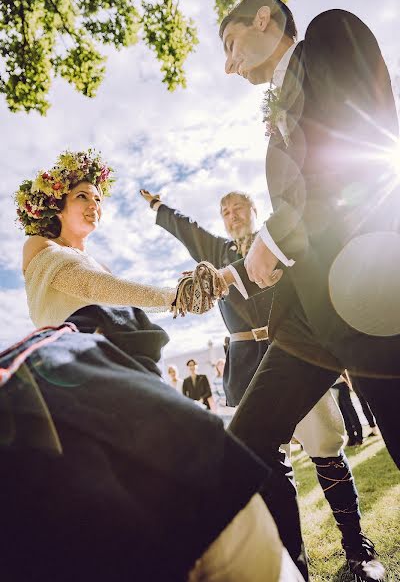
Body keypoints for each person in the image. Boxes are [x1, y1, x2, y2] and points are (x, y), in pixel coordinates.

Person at [1, 149, 305, 581]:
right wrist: (174, 296)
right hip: (76, 382)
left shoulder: (92, 256)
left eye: (98, 200)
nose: (94, 206)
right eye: (83, 197)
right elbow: (99, 287)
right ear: (57, 204)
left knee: (187, 493)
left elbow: (113, 297)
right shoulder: (39, 248)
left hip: (118, 375)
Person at [210, 0, 400, 581]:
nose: (229, 65)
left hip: (369, 291)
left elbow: (354, 156)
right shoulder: (278, 111)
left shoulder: (329, 34)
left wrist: (276, 234)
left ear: (265, 19)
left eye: (231, 45)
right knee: (239, 448)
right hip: (310, 312)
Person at [141, 187, 381, 575]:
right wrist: (158, 206)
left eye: (238, 207)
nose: (232, 214)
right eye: (225, 210)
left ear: (254, 209)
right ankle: (295, 564)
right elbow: (184, 227)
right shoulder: (217, 251)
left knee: (324, 448)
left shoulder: (281, 241)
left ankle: (357, 548)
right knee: (263, 460)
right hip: (247, 368)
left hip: (297, 356)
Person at [210, 358, 235, 427]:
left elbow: (233, 390)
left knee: (233, 423)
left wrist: (230, 401)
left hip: (231, 405)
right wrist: (220, 402)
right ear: (217, 367)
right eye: (219, 365)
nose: (221, 366)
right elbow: (214, 392)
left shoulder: (231, 377)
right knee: (225, 425)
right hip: (221, 406)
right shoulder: (214, 379)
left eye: (222, 364)